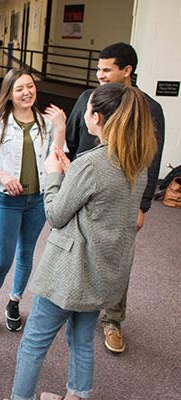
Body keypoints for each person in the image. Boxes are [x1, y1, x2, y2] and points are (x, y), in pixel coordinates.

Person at [10, 83, 157, 400]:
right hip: (102, 272)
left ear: (98, 118)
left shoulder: (91, 164)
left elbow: (56, 215)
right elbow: (102, 206)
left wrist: (54, 175)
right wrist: (72, 173)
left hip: (68, 274)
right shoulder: (137, 162)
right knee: (81, 340)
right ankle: (77, 396)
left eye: (89, 109)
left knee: (34, 341)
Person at [66, 42, 165, 354]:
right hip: (82, 188)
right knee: (74, 249)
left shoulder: (149, 109)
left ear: (127, 71)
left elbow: (153, 159)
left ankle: (112, 319)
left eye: (106, 70)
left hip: (123, 197)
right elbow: (72, 139)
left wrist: (143, 205)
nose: (100, 75)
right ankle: (73, 306)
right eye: (98, 69)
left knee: (118, 257)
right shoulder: (86, 99)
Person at [0, 69, 66, 336]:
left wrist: (61, 129)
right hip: (7, 201)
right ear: (9, 94)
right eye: (20, 88)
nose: (27, 92)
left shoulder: (45, 123)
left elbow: (57, 159)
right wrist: (1, 174)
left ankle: (14, 302)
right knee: (3, 259)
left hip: (38, 200)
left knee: (26, 255)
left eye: (31, 86)